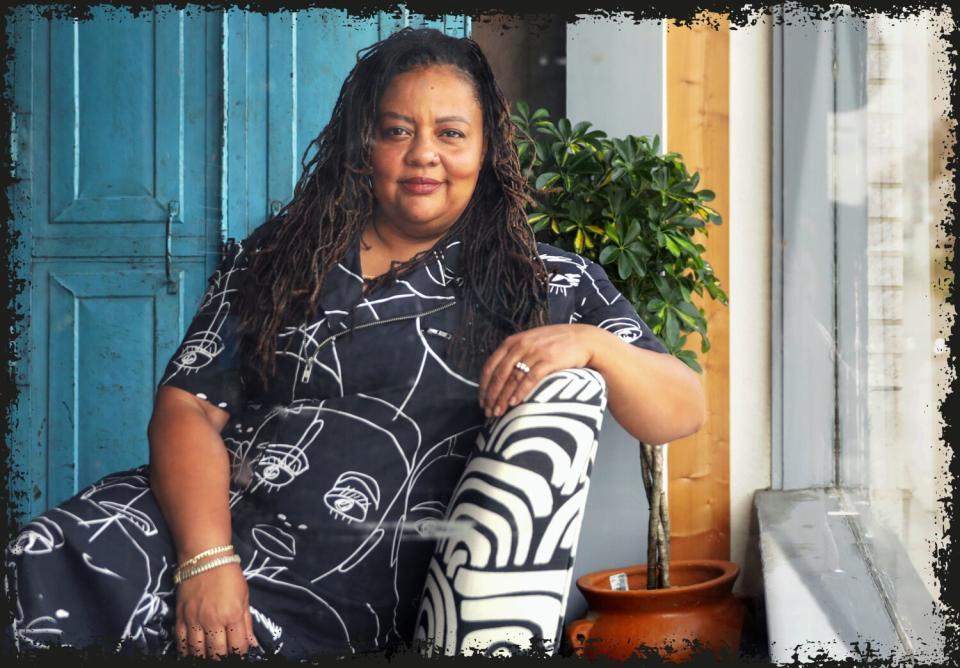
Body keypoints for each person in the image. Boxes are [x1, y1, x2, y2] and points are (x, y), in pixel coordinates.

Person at [4, 27, 705, 660]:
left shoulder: (545, 282)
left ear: (487, 147)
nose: (424, 154)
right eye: (397, 130)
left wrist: (593, 344)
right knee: (40, 560)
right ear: (361, 145)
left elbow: (679, 410)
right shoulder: (280, 256)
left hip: (339, 576)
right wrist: (207, 560)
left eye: (451, 134)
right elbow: (188, 408)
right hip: (197, 524)